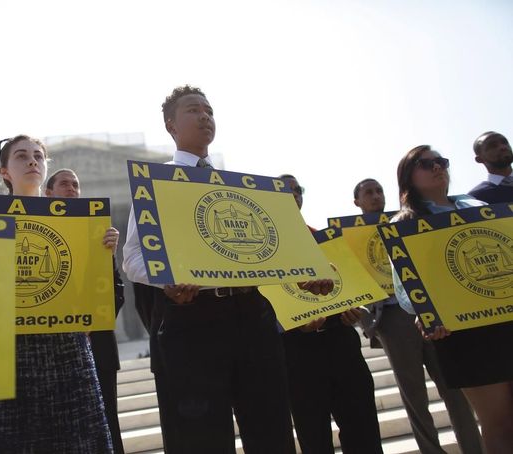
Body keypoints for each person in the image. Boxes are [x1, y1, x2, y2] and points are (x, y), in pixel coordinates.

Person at [123, 85, 331, 453]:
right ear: (171, 125)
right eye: (193, 110)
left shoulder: (243, 188)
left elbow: (269, 252)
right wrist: (166, 280)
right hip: (193, 320)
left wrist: (304, 271)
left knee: (271, 430)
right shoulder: (154, 183)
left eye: (209, 110)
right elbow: (133, 257)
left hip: (253, 319)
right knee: (204, 437)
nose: (205, 116)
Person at [0, 135, 113, 453]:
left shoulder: (77, 221)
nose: (32, 161)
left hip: (66, 348)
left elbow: (87, 286)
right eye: (21, 156)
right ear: (4, 171)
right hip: (7, 352)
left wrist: (102, 252)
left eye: (39, 156)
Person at [393, 145, 513, 454]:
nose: (437, 167)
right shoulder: (402, 224)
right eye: (425, 164)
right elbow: (405, 289)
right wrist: (427, 312)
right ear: (408, 176)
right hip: (466, 333)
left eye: (441, 161)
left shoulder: (479, 205)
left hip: (506, 317)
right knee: (499, 426)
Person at [354, 178, 483, 454]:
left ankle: (473, 448)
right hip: (391, 317)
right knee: (414, 395)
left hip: (430, 312)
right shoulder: (349, 236)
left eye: (379, 191)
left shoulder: (408, 220)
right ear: (357, 202)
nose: (376, 196)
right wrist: (370, 322)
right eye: (369, 193)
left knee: (455, 389)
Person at [279, 174, 383, 454]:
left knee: (363, 429)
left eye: (297, 189)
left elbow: (348, 287)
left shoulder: (326, 239)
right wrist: (293, 326)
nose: (294, 194)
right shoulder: (260, 248)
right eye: (284, 190)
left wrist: (355, 310)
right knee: (314, 436)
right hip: (297, 351)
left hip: (341, 341)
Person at [45, 168, 125, 454]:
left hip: (98, 347)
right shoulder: (35, 233)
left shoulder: (99, 233)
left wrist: (109, 255)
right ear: (48, 193)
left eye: (76, 184)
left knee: (108, 430)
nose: (72, 188)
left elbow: (117, 293)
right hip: (52, 352)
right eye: (64, 183)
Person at [468, 131, 513, 204]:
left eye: (504, 142)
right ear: (479, 159)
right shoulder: (476, 198)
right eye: (493, 146)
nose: (502, 147)